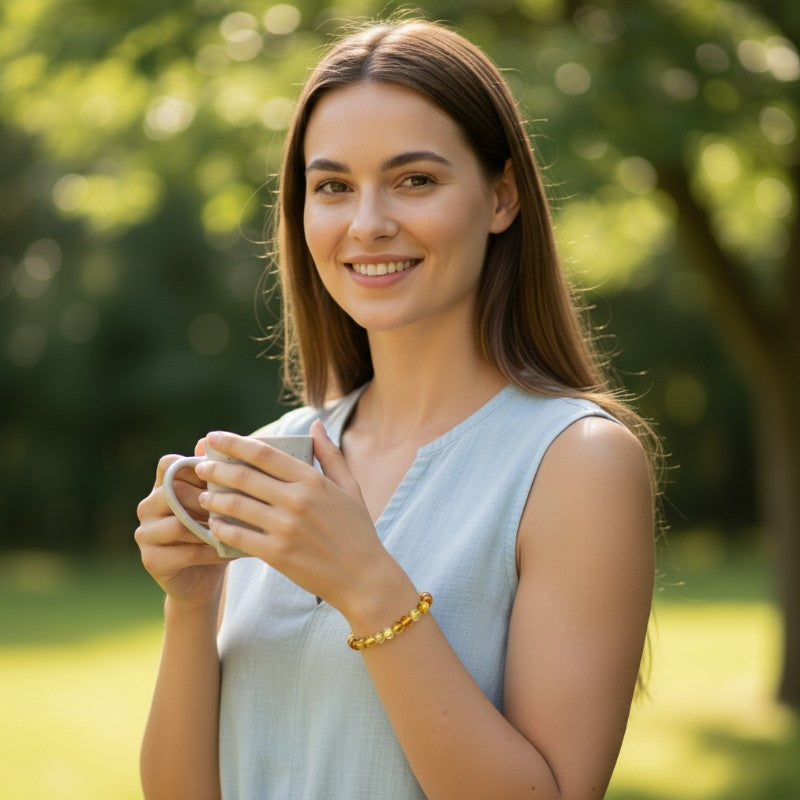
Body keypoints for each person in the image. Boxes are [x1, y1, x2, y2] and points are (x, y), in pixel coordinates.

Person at [134, 17, 657, 800]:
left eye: (415, 179)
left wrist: (368, 585)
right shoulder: (274, 457)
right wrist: (192, 604)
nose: (367, 222)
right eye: (333, 186)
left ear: (502, 198)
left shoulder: (576, 461)